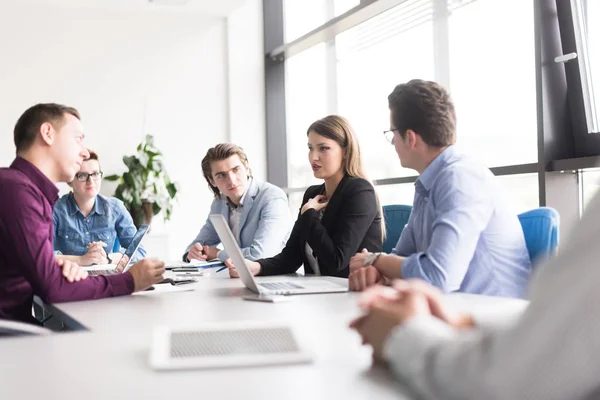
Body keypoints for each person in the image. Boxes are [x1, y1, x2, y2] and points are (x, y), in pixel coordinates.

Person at [351, 188, 600, 399]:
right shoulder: (425, 190)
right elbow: (572, 320)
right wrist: (464, 324)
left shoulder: (458, 180)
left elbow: (503, 381)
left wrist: (402, 332)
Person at [348, 79, 531, 298]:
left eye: (393, 133)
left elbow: (438, 278)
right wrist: (377, 272)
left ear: (410, 138)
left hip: (496, 319)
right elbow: (400, 257)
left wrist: (375, 260)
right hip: (456, 312)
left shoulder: (460, 179)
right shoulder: (428, 184)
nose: (393, 142)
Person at [0, 103, 165, 325]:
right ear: (48, 133)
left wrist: (56, 267)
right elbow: (53, 289)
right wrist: (130, 281)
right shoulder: (16, 191)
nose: (84, 151)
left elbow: (27, 267)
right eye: (78, 138)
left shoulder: (25, 191)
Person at [227, 115, 383, 279]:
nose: (313, 157)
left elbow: (336, 261)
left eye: (323, 148)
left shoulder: (359, 192)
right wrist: (256, 266)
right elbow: (290, 258)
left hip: (352, 294)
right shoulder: (313, 194)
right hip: (318, 294)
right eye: (310, 148)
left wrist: (309, 214)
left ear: (345, 151)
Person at [183, 143, 292, 263]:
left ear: (246, 168)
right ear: (212, 181)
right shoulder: (219, 204)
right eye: (221, 175)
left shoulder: (272, 197)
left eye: (235, 170)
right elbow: (196, 246)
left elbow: (260, 254)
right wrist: (193, 253)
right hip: (237, 276)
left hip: (274, 277)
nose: (231, 180)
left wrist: (218, 254)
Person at [53, 149, 146, 266]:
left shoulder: (115, 208)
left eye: (95, 174)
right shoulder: (55, 210)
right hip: (69, 280)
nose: (90, 181)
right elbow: (44, 256)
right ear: (70, 181)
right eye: (82, 175)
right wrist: (82, 260)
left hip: (105, 279)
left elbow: (139, 251)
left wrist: (108, 258)